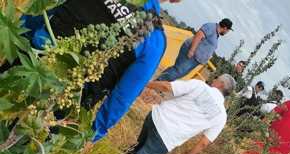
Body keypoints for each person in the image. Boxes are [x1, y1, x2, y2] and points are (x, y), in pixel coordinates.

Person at [18, 0, 182, 142]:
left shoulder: (154, 39)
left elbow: (44, 8)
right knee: (18, 144)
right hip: (60, 104)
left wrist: (18, 39)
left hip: (29, 62)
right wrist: (94, 134)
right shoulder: (155, 41)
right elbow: (122, 97)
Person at [128, 73, 236, 154]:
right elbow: (204, 143)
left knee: (135, 149)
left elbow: (167, 87)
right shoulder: (221, 117)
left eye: (217, 78)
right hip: (165, 139)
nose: (214, 79)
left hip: (155, 118)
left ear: (221, 84)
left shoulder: (200, 86)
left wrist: (145, 84)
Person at [157, 18, 233, 81]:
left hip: (195, 59)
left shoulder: (216, 34)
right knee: (178, 71)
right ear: (225, 28)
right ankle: (158, 82)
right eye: (228, 30)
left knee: (180, 73)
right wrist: (191, 50)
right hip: (191, 54)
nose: (227, 32)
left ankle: (160, 84)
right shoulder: (211, 27)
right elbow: (198, 35)